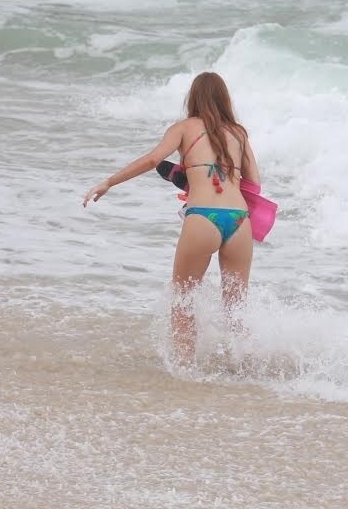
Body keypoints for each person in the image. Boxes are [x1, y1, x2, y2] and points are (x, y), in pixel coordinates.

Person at [82, 72, 261, 363]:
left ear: (193, 98)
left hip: (203, 216)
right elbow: (254, 181)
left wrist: (109, 182)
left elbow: (153, 160)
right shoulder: (239, 132)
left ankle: (185, 370)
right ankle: (246, 365)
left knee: (183, 298)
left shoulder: (183, 128)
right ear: (224, 98)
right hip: (240, 219)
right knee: (236, 304)